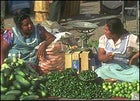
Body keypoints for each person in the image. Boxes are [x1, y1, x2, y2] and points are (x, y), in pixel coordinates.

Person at [95, 17, 139, 82]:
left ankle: (117, 80)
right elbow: (100, 57)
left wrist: (133, 58)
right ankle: (120, 80)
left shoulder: (130, 38)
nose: (104, 32)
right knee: (99, 73)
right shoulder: (103, 39)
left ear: (114, 32)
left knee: (137, 74)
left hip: (125, 70)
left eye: (107, 30)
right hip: (108, 69)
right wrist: (107, 57)